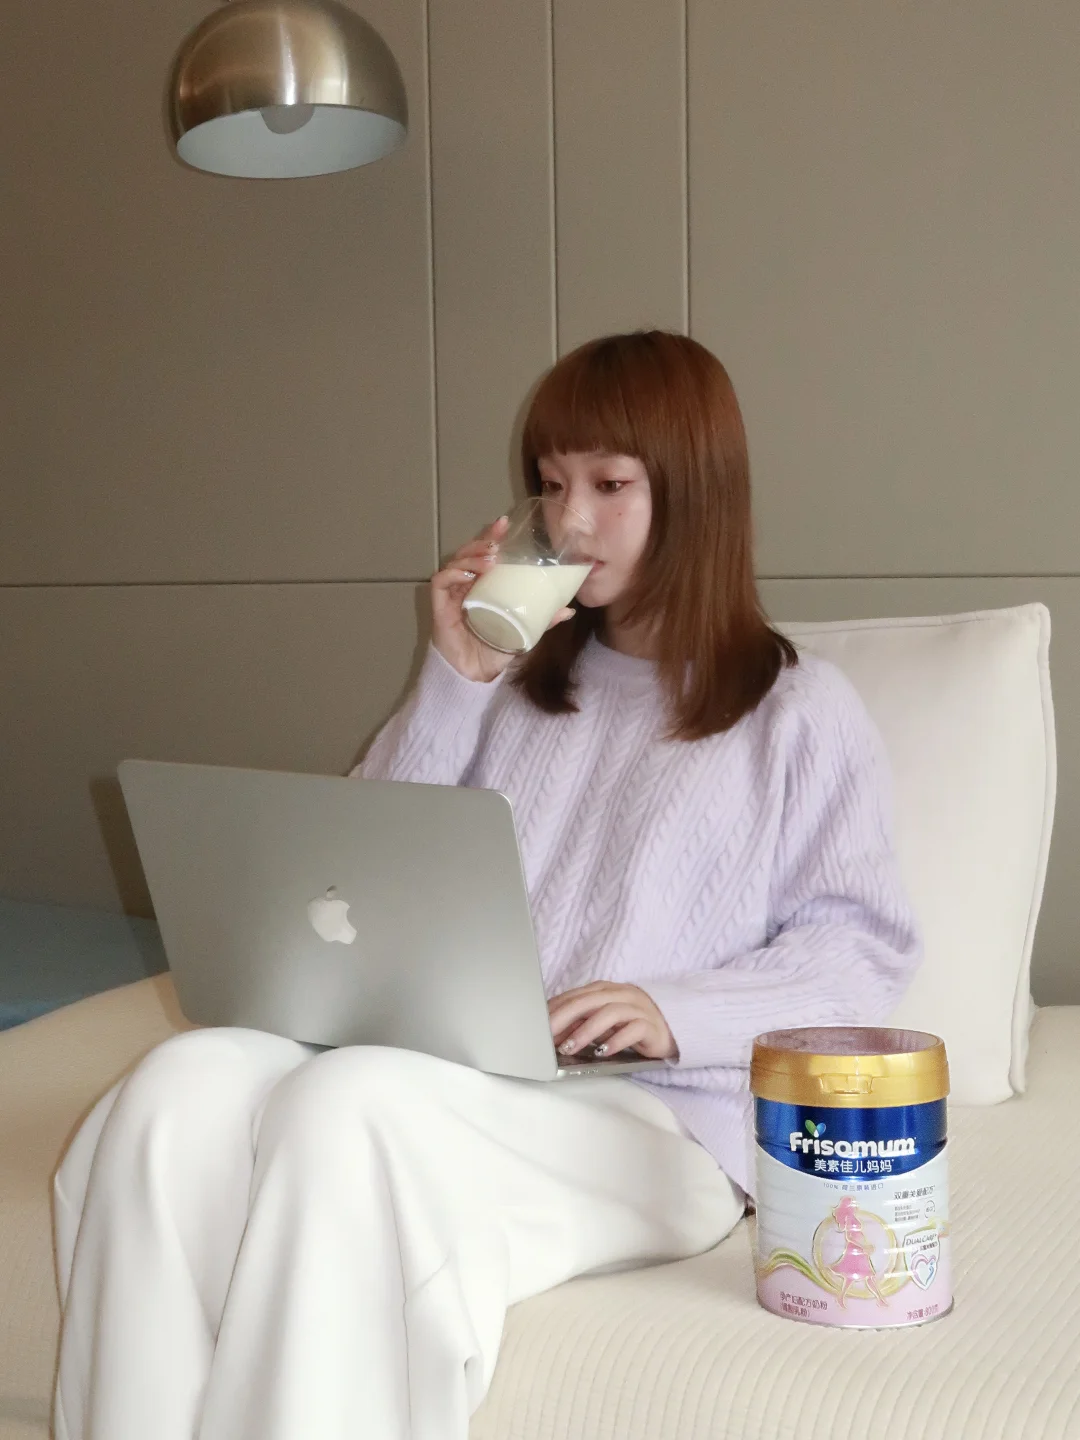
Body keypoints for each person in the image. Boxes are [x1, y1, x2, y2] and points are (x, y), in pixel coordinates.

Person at [51, 331, 921, 1440]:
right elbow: (348, 874)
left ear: (698, 494)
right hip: (462, 1074)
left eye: (610, 485)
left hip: (664, 1122)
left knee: (345, 1100)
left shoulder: (797, 709)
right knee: (179, 1085)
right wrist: (455, 679)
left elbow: (862, 954)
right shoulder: (509, 689)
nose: (571, 520)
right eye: (552, 484)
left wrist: (672, 1009)